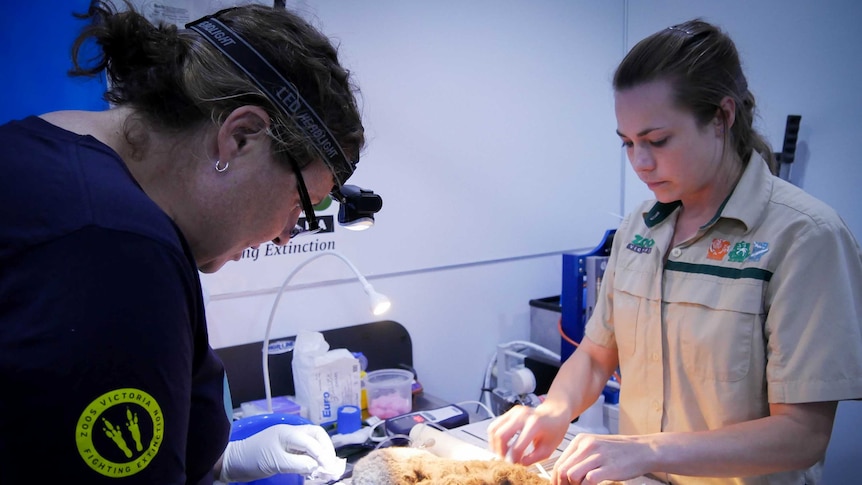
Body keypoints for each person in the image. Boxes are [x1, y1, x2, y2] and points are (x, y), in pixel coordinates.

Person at [0, 1, 367, 483]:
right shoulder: (115, 249)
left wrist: (219, 457)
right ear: (241, 136)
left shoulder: (39, 145)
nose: (283, 235)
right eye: (301, 203)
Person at [488, 18, 862, 485]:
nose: (641, 163)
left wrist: (645, 450)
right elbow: (596, 354)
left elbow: (802, 435)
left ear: (722, 117)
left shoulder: (804, 238)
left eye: (657, 141)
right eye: (627, 143)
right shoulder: (639, 229)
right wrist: (555, 408)